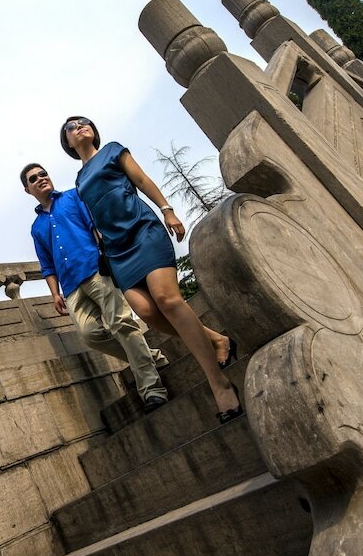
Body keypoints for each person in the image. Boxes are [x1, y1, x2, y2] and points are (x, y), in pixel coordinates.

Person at [60, 116, 243, 424]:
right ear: (67, 142)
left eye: (84, 121)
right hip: (117, 250)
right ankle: (217, 339)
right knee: (147, 312)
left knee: (167, 299)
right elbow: (94, 216)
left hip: (142, 230)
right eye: (71, 126)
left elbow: (142, 181)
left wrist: (167, 210)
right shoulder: (79, 180)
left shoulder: (113, 150)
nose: (79, 126)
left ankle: (219, 383)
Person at [21, 162, 170, 412]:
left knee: (121, 323)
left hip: (95, 270)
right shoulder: (36, 228)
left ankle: (152, 389)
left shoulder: (72, 197)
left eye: (43, 174)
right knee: (91, 335)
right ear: (27, 189)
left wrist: (108, 256)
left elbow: (95, 225)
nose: (41, 178)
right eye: (33, 178)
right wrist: (55, 293)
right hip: (70, 286)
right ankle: (150, 357)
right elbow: (46, 264)